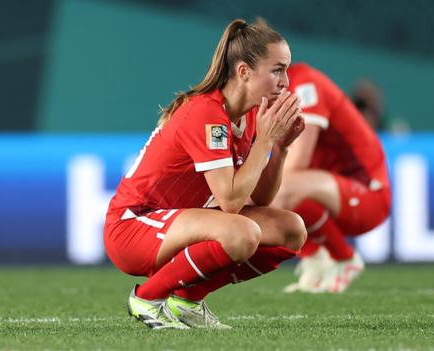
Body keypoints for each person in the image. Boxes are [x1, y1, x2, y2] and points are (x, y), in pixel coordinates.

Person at [103, 19, 307, 330]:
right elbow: (230, 201)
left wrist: (279, 149)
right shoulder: (206, 113)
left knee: (291, 229)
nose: (286, 82)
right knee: (242, 232)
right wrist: (264, 140)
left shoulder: (249, 114)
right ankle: (146, 298)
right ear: (243, 72)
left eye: (286, 70)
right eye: (277, 70)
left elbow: (259, 198)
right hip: (134, 225)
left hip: (179, 219)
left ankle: (186, 301)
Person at [272, 63, 391, 293]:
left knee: (277, 191)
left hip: (369, 194)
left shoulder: (304, 82)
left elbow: (298, 163)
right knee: (278, 193)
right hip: (331, 190)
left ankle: (340, 258)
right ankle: (320, 259)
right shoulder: (270, 95)